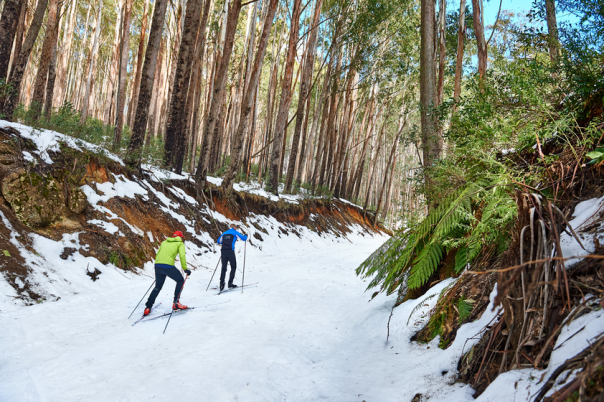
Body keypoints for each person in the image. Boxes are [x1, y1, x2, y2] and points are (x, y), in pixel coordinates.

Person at [144, 230, 191, 315]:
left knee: (157, 286)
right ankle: (176, 303)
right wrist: (185, 269)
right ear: (180, 237)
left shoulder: (164, 242)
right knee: (180, 280)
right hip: (168, 266)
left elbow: (158, 254)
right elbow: (182, 256)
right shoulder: (180, 244)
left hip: (158, 265)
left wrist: (159, 267)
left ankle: (148, 307)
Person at [217, 224, 248, 291]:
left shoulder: (224, 233)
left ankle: (221, 284)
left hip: (223, 251)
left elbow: (218, 241)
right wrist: (246, 234)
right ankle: (230, 283)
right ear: (234, 227)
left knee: (223, 268)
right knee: (233, 267)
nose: (236, 228)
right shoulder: (235, 232)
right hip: (230, 251)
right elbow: (244, 238)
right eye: (235, 227)